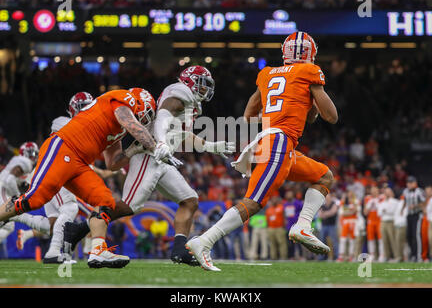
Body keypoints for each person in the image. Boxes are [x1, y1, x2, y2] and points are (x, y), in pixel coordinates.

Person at [186, 31, 338, 271]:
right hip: (279, 142)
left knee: (323, 176)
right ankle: (204, 241)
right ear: (311, 54)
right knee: (254, 202)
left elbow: (248, 116)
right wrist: (312, 96)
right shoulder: (309, 72)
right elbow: (331, 117)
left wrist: (288, 108)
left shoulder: (267, 73)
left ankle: (302, 226)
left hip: (273, 141)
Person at [63, 69, 235, 266]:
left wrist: (210, 146)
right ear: (189, 81)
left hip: (162, 159)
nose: (205, 88)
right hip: (148, 155)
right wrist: (160, 142)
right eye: (202, 83)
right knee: (129, 206)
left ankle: (180, 250)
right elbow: (162, 115)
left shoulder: (192, 105)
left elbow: (180, 134)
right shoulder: (180, 91)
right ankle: (78, 229)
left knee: (190, 200)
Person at [0, 87, 174, 268]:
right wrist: (156, 146)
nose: (144, 120)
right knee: (35, 199)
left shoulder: (120, 128)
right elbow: (130, 122)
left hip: (80, 163)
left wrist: (133, 150)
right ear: (137, 102)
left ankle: (98, 251)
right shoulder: (122, 100)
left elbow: (113, 163)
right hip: (64, 149)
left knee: (105, 200)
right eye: (145, 113)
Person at [401, 176, 426, 262]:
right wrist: (402, 209)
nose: (409, 184)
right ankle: (413, 254)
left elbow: (424, 202)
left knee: (416, 236)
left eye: (411, 182)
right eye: (408, 182)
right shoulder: (405, 191)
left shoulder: (419, 191)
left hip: (417, 215)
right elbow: (404, 201)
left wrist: (415, 206)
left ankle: (419, 256)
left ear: (415, 183)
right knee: (409, 235)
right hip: (409, 215)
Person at [363, 186, 385, 261]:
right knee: (370, 238)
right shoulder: (368, 198)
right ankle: (372, 254)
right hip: (371, 220)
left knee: (380, 238)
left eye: (375, 190)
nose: (374, 192)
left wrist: (377, 204)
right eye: (372, 190)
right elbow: (365, 212)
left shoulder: (382, 197)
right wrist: (369, 205)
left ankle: (382, 255)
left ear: (378, 190)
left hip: (379, 219)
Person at [377, 187, 398, 262]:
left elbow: (392, 211)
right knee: (384, 240)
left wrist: (385, 210)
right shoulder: (382, 202)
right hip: (383, 221)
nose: (387, 193)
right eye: (386, 192)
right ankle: (387, 256)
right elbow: (379, 213)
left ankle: (396, 256)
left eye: (389, 192)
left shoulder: (395, 201)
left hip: (391, 221)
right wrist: (385, 210)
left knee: (393, 239)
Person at [265, 195, 287, 260]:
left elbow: (284, 217)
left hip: (279, 228)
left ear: (277, 200)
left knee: (281, 243)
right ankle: (273, 257)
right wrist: (268, 228)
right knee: (272, 243)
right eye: (273, 200)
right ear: (271, 201)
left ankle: (283, 257)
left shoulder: (281, 207)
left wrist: (284, 226)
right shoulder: (268, 209)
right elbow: (267, 220)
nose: (274, 201)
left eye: (275, 199)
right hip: (271, 228)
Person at [318, 193, 339, 260]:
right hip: (324, 226)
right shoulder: (323, 205)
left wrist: (325, 214)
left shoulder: (334, 203)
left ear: (330, 198)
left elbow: (333, 212)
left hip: (332, 225)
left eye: (328, 197)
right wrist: (328, 213)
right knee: (322, 242)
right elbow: (320, 215)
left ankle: (337, 256)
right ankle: (322, 257)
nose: (327, 199)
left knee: (334, 241)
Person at [283, 190, 303, 259]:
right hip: (289, 226)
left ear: (292, 195)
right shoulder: (285, 204)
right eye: (287, 194)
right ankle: (292, 256)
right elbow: (285, 214)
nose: (288, 196)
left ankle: (300, 255)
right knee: (290, 242)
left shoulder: (298, 203)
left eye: (289, 194)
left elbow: (303, 210)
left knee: (299, 242)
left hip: (297, 225)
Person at [393, 192, 408, 262]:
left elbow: (404, 215)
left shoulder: (403, 204)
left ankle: (402, 257)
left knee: (401, 242)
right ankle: (402, 256)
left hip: (402, 225)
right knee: (401, 242)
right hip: (399, 224)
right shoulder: (398, 203)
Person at [425, 186, 432, 261]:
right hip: (429, 222)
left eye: (429, 191)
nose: (427, 192)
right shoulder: (428, 200)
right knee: (430, 239)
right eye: (426, 191)